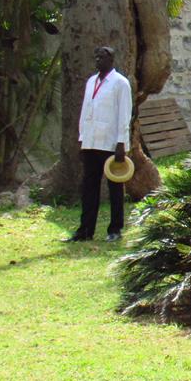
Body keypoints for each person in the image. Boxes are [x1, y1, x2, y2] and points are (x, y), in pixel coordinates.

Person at [65, 46, 132, 242]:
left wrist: (121, 143)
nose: (97, 61)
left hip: (110, 143)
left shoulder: (120, 83)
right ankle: (85, 230)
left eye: (101, 57)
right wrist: (82, 138)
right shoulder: (91, 81)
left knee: (115, 188)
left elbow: (124, 114)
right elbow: (85, 111)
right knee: (89, 187)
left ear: (111, 59)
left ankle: (115, 229)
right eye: (96, 57)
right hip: (91, 141)